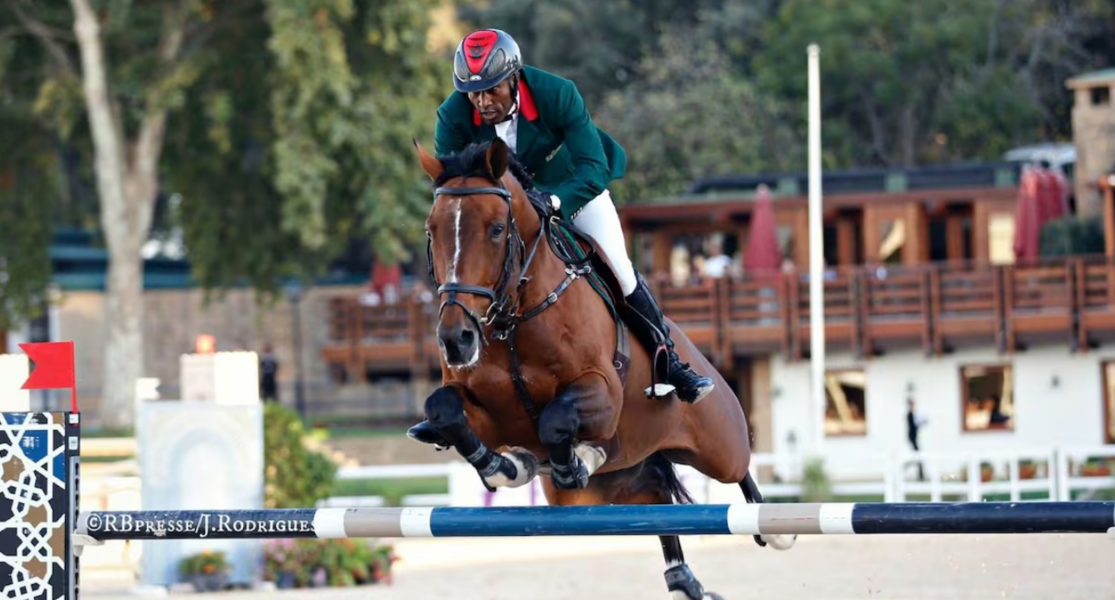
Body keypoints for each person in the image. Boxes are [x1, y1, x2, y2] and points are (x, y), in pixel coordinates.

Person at [408, 30, 714, 445]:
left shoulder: (557, 94)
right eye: (472, 92)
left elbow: (593, 166)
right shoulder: (454, 116)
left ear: (513, 77)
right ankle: (458, 391)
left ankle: (669, 363)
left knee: (619, 270)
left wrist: (554, 201)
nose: (481, 102)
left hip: (572, 189)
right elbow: (451, 186)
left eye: (490, 89)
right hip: (504, 207)